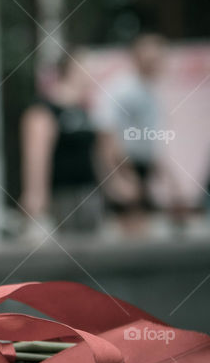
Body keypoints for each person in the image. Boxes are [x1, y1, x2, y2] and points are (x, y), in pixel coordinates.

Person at [19, 51, 104, 239]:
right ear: (71, 70)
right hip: (62, 196)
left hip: (88, 194)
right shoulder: (44, 109)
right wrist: (35, 195)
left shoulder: (84, 110)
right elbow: (36, 157)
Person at [96, 33, 168, 234]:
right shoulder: (122, 89)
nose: (157, 64)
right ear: (137, 58)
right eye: (151, 59)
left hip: (142, 168)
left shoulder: (149, 90)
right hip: (125, 166)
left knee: (145, 233)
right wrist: (119, 176)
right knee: (132, 236)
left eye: (159, 57)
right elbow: (106, 133)